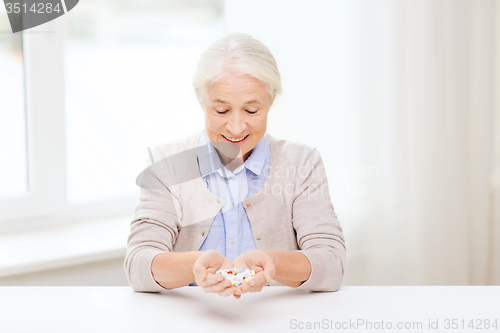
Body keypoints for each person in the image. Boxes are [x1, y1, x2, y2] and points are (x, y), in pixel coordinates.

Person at [124, 32, 346, 299]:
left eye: (252, 111)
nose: (237, 127)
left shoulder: (302, 162)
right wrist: (192, 267)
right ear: (201, 102)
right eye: (222, 111)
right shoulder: (165, 164)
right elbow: (137, 266)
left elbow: (332, 265)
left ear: (271, 101)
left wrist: (273, 263)